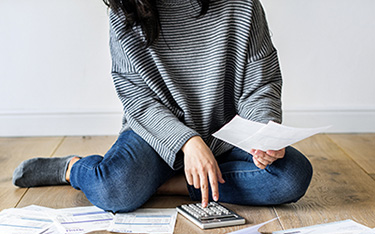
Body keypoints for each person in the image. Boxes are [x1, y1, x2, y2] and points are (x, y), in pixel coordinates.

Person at [13, 0, 313, 212]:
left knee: (292, 176)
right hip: (155, 133)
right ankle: (73, 168)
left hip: (226, 134)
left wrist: (263, 136)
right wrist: (188, 142)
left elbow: (261, 81)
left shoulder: (242, 5)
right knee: (114, 189)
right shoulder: (126, 9)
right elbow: (137, 98)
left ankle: (167, 184)